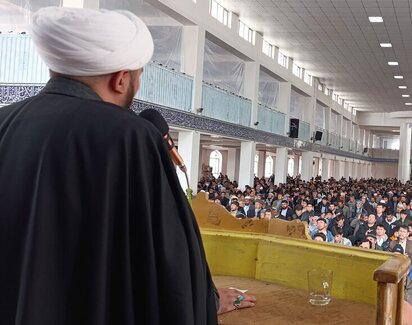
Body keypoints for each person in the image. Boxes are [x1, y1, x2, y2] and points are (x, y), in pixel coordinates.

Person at [0, 7, 252, 324]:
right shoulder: (130, 136)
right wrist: (206, 301)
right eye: (139, 74)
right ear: (121, 79)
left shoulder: (4, 122)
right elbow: (167, 259)